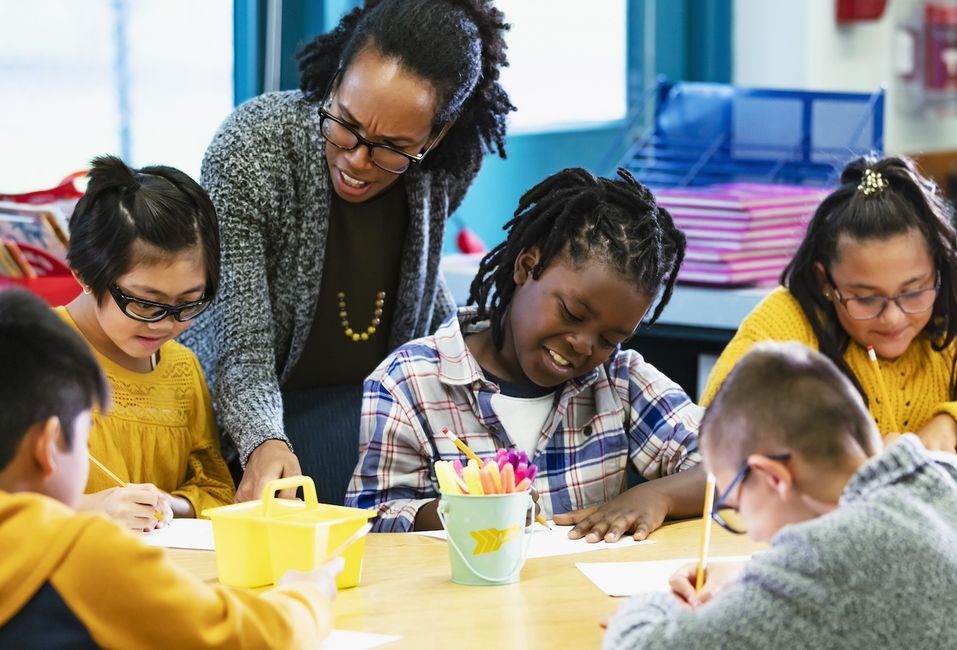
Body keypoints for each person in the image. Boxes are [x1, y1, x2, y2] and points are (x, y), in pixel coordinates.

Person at [180, 0, 515, 503]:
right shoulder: (253, 147)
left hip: (377, 412)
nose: (357, 160)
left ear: (437, 135)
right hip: (252, 421)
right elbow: (238, 342)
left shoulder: (447, 163)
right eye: (346, 124)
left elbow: (420, 284)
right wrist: (264, 441)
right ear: (336, 81)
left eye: (392, 146)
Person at [346, 168, 704, 539]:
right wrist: (469, 509)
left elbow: (734, 467)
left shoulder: (618, 380)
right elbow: (372, 523)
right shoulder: (408, 383)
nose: (583, 345)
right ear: (526, 267)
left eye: (610, 338)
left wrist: (657, 495)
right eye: (572, 314)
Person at [0, 288, 340, 647]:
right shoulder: (80, 554)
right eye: (86, 432)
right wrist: (307, 597)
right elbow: (246, 638)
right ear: (48, 446)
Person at [603, 341, 957, 649]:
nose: (755, 535)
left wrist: (648, 606)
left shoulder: (824, 562)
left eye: (736, 504)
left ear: (773, 477)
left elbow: (644, 643)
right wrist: (753, 574)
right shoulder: (940, 478)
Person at [702, 155, 957, 454]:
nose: (892, 318)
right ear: (825, 282)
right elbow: (718, 429)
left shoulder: (948, 307)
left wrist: (950, 420)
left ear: (938, 272)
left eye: (913, 292)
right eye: (865, 298)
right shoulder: (786, 321)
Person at [60, 156, 233, 531]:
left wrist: (168, 505)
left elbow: (216, 491)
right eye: (144, 303)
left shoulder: (182, 371)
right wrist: (90, 509)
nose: (166, 323)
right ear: (85, 276)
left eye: (188, 303)